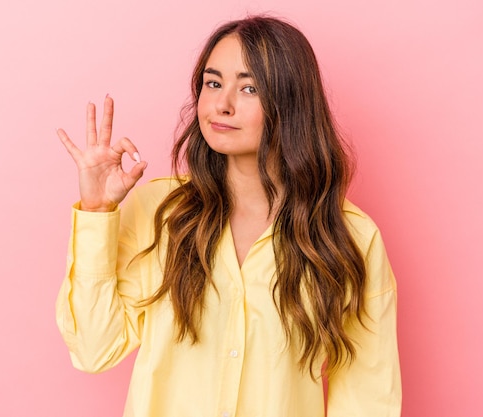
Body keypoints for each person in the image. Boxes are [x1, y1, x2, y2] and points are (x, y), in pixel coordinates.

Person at [56, 15, 401, 417]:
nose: (222, 104)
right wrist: (98, 213)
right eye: (213, 83)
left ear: (290, 102)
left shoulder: (350, 237)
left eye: (249, 87)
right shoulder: (161, 212)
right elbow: (93, 349)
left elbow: (367, 398)